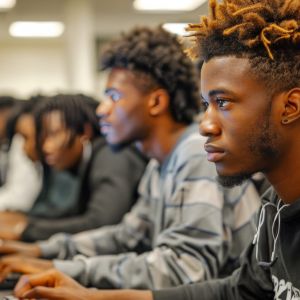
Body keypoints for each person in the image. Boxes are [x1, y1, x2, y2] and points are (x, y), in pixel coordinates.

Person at [11, 0, 300, 299]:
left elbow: (186, 268)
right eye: (205, 105)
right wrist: (66, 274)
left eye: (222, 103)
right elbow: (239, 290)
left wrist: (68, 270)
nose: (206, 125)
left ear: (291, 106)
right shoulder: (274, 205)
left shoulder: (194, 154)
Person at [0, 94, 146, 241]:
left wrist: (25, 230)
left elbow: (101, 223)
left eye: (53, 134)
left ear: (84, 132)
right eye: (42, 138)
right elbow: (71, 214)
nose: (45, 147)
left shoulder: (112, 156)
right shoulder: (84, 160)